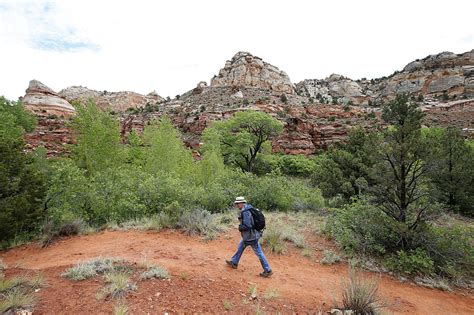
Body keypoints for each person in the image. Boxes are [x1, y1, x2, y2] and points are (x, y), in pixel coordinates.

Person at [226, 196, 273, 277]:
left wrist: (240, 227)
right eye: (236, 204)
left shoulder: (245, 212)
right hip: (252, 235)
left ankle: (267, 270)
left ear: (241, 203)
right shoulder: (249, 208)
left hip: (250, 236)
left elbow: (248, 225)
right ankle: (234, 262)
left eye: (237, 204)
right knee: (241, 246)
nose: (237, 205)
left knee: (259, 252)